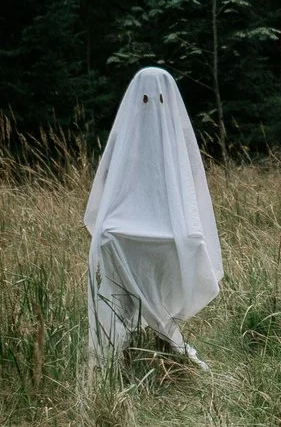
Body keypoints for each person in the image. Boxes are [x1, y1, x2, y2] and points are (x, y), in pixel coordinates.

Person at [84, 67, 223, 379]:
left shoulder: (175, 141)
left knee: (172, 265)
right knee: (122, 284)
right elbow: (109, 189)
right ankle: (126, 350)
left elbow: (189, 193)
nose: (152, 106)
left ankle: (162, 340)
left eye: (158, 99)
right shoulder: (126, 138)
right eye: (145, 99)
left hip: (162, 236)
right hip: (124, 235)